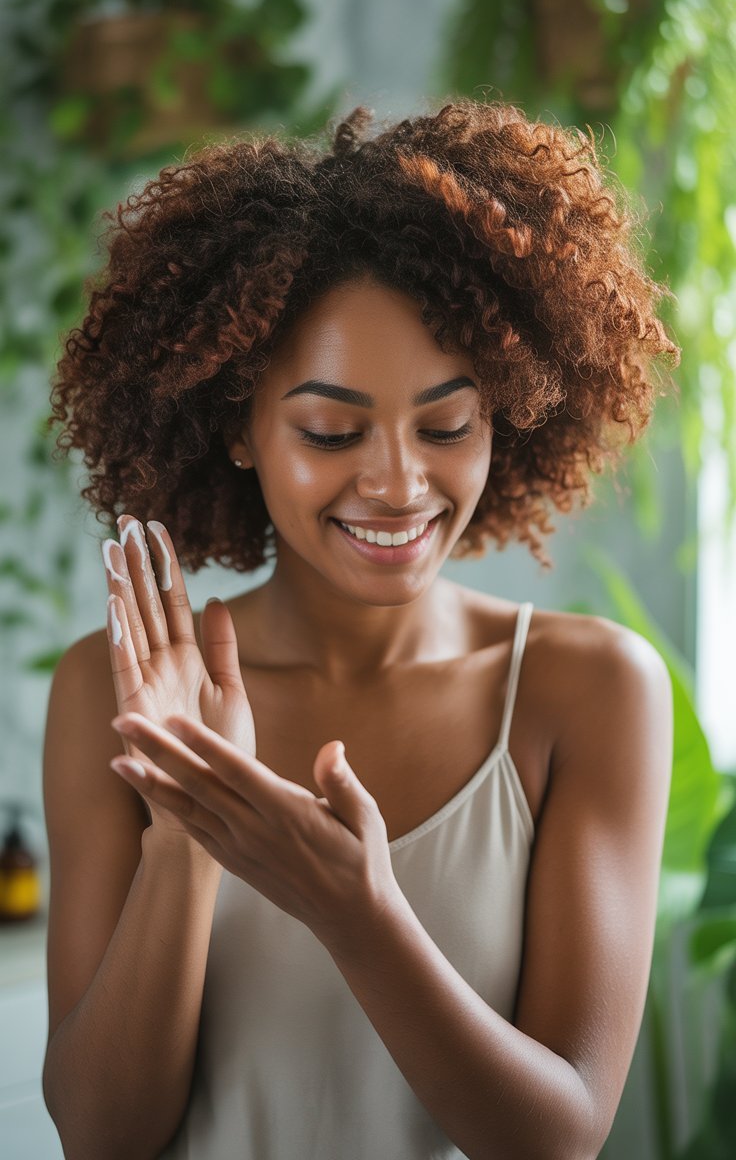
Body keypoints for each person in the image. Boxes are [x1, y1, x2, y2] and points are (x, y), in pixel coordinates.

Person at [41, 100, 678, 1160]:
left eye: (446, 426)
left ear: (507, 413)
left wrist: (357, 910)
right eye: (332, 429)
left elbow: (558, 1136)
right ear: (239, 424)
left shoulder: (590, 691)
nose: (396, 483)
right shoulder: (117, 694)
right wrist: (187, 835)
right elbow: (102, 1138)